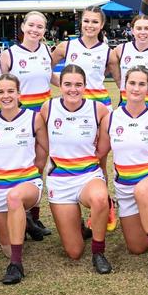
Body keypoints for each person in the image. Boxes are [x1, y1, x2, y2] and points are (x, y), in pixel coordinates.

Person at [96, 65, 148, 280]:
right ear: (124, 85)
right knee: (136, 247)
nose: (136, 88)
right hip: (125, 185)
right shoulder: (111, 119)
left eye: (141, 84)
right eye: (132, 83)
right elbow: (100, 153)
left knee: (144, 190)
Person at [39, 64, 112, 274]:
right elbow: (41, 141)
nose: (73, 89)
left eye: (78, 85)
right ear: (59, 85)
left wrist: (92, 160)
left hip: (88, 176)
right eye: (68, 84)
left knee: (99, 199)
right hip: (59, 180)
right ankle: (80, 227)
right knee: (74, 251)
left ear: (85, 86)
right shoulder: (48, 108)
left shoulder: (98, 109)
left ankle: (99, 251)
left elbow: (105, 145)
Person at [0, 74, 48, 284]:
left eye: (10, 91)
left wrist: (36, 170)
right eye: (1, 92)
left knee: (15, 198)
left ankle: (16, 266)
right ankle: (21, 224)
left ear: (19, 93)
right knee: (6, 247)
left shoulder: (33, 118)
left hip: (27, 182)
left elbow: (45, 149)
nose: (6, 96)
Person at [0, 10, 55, 238]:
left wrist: (82, 85)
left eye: (40, 27)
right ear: (23, 27)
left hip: (43, 115)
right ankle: (13, 213)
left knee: (40, 163)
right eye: (31, 25)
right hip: (19, 116)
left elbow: (51, 77)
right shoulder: (9, 54)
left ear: (44, 31)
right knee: (20, 163)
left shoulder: (46, 50)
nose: (35, 30)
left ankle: (34, 216)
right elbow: (2, 85)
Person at [51, 5, 119, 110]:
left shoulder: (109, 53)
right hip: (72, 104)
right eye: (86, 21)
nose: (90, 25)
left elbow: (120, 83)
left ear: (102, 25)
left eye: (95, 22)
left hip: (100, 105)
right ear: (81, 22)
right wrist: (65, 85)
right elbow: (44, 70)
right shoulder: (65, 47)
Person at [115, 15, 148, 109]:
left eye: (147, 28)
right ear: (132, 30)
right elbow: (110, 68)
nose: (143, 32)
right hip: (126, 104)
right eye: (139, 28)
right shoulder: (120, 49)